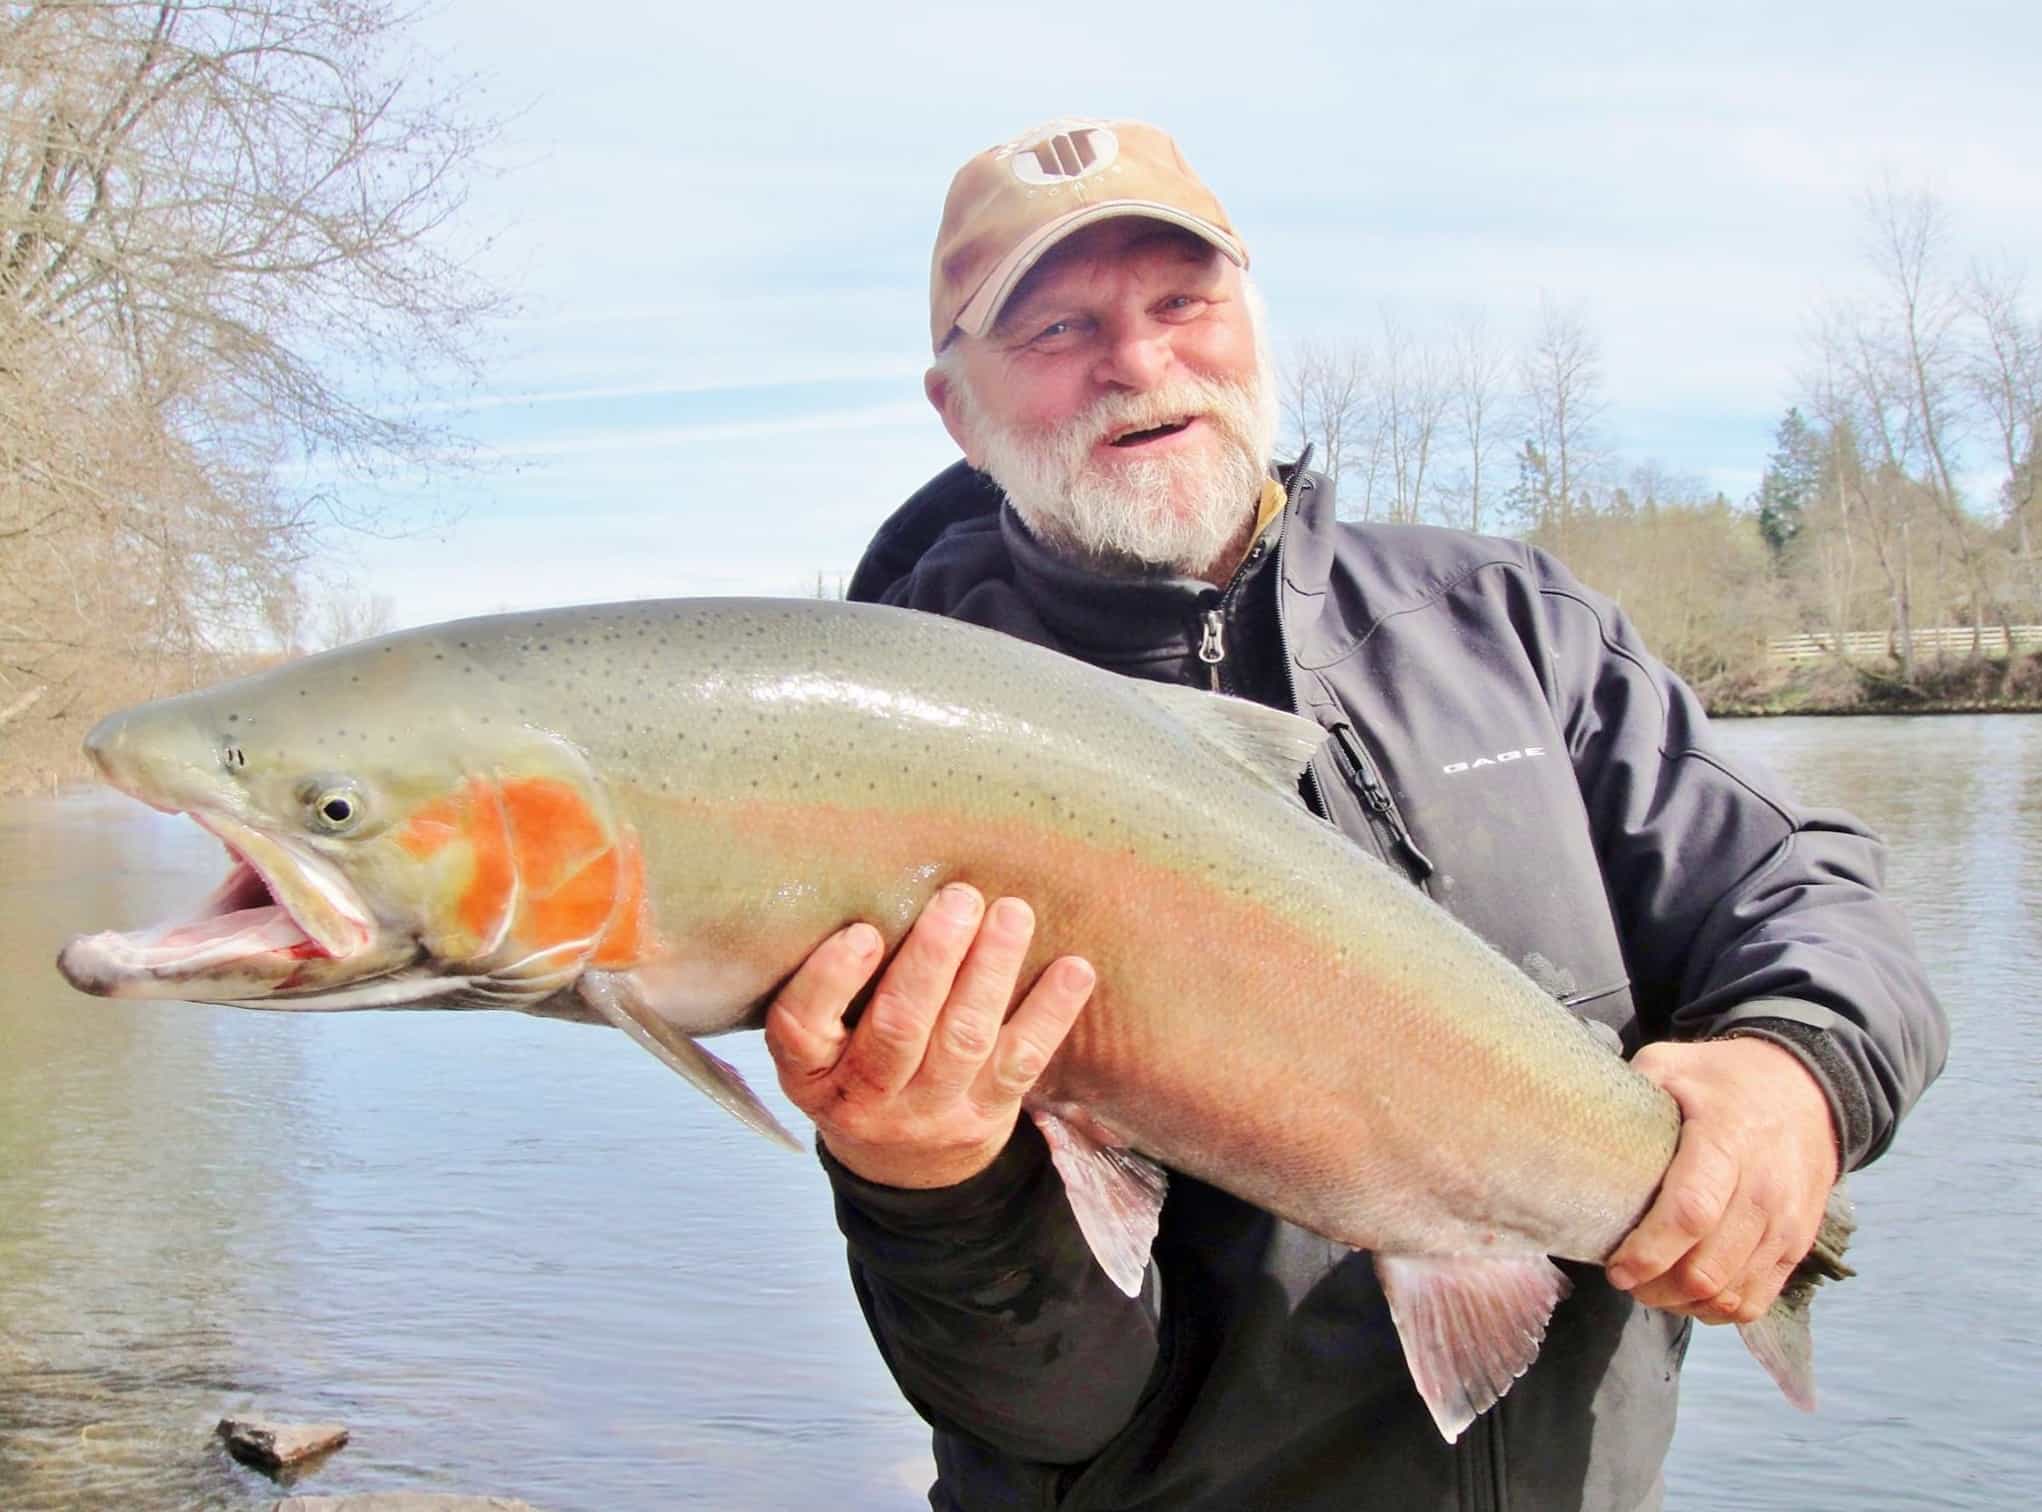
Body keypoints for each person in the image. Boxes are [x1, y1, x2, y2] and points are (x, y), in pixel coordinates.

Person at [758, 118, 1947, 1511]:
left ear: (1253, 327)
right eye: (1054, 329)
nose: (1137, 365)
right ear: (954, 409)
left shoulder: (1513, 624)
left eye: (1182, 303)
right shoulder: (867, 772)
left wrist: (1794, 1077)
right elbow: (1042, 1406)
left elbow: (1802, 895)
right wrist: (930, 1188)